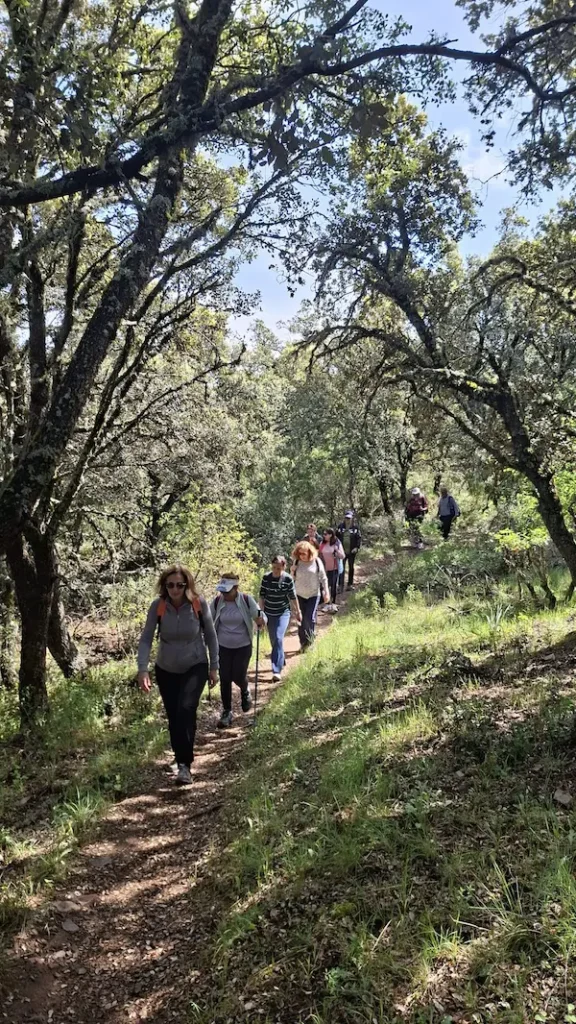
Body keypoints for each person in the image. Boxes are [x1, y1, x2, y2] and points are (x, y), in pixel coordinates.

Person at [138, 564, 218, 786]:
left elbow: (211, 635)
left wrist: (214, 666)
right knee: (174, 716)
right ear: (164, 586)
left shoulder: (198, 603)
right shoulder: (158, 606)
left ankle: (185, 764)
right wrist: (142, 669)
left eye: (179, 585)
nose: (175, 589)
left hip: (195, 664)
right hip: (166, 668)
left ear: (187, 585)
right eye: (170, 585)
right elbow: (146, 638)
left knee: (186, 708)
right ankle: (180, 754)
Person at [210, 574, 266, 729]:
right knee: (225, 677)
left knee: (238, 675)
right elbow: (208, 619)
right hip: (222, 646)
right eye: (222, 591)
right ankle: (227, 712)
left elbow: (260, 615)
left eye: (227, 591)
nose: (224, 594)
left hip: (243, 646)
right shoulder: (217, 602)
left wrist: (261, 620)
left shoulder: (247, 600)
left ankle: (245, 689)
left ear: (236, 588)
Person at [259, 555, 302, 682]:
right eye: (274, 568)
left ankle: (276, 670)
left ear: (283, 567)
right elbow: (262, 596)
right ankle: (280, 658)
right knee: (274, 640)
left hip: (283, 613)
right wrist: (260, 613)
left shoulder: (287, 579)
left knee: (278, 637)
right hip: (269, 613)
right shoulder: (266, 578)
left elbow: (293, 597)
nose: (275, 571)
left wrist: (298, 611)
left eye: (278, 568)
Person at [291, 541, 330, 651]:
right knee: (301, 619)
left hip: (313, 594)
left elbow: (323, 578)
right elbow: (292, 579)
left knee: (309, 618)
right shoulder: (297, 562)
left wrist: (326, 591)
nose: (302, 556)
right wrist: (292, 571)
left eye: (304, 553)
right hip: (299, 595)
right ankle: (303, 643)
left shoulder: (316, 561)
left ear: (309, 552)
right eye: (300, 553)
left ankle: (310, 641)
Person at [336, 511, 362, 590]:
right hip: (342, 551)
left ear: (352, 518)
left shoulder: (355, 528)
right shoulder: (340, 527)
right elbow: (336, 537)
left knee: (351, 567)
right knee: (341, 568)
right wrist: (336, 548)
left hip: (351, 551)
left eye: (349, 518)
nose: (348, 520)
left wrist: (357, 547)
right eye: (346, 518)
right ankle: (340, 585)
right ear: (344, 518)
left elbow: (359, 538)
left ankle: (350, 585)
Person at [319, 529, 345, 605]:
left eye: (325, 534)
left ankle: (332, 603)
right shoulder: (322, 543)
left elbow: (343, 556)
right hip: (324, 569)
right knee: (325, 585)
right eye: (323, 534)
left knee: (333, 585)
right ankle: (326, 602)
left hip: (334, 568)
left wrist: (337, 551)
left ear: (330, 535)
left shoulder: (337, 543)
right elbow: (319, 554)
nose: (324, 536)